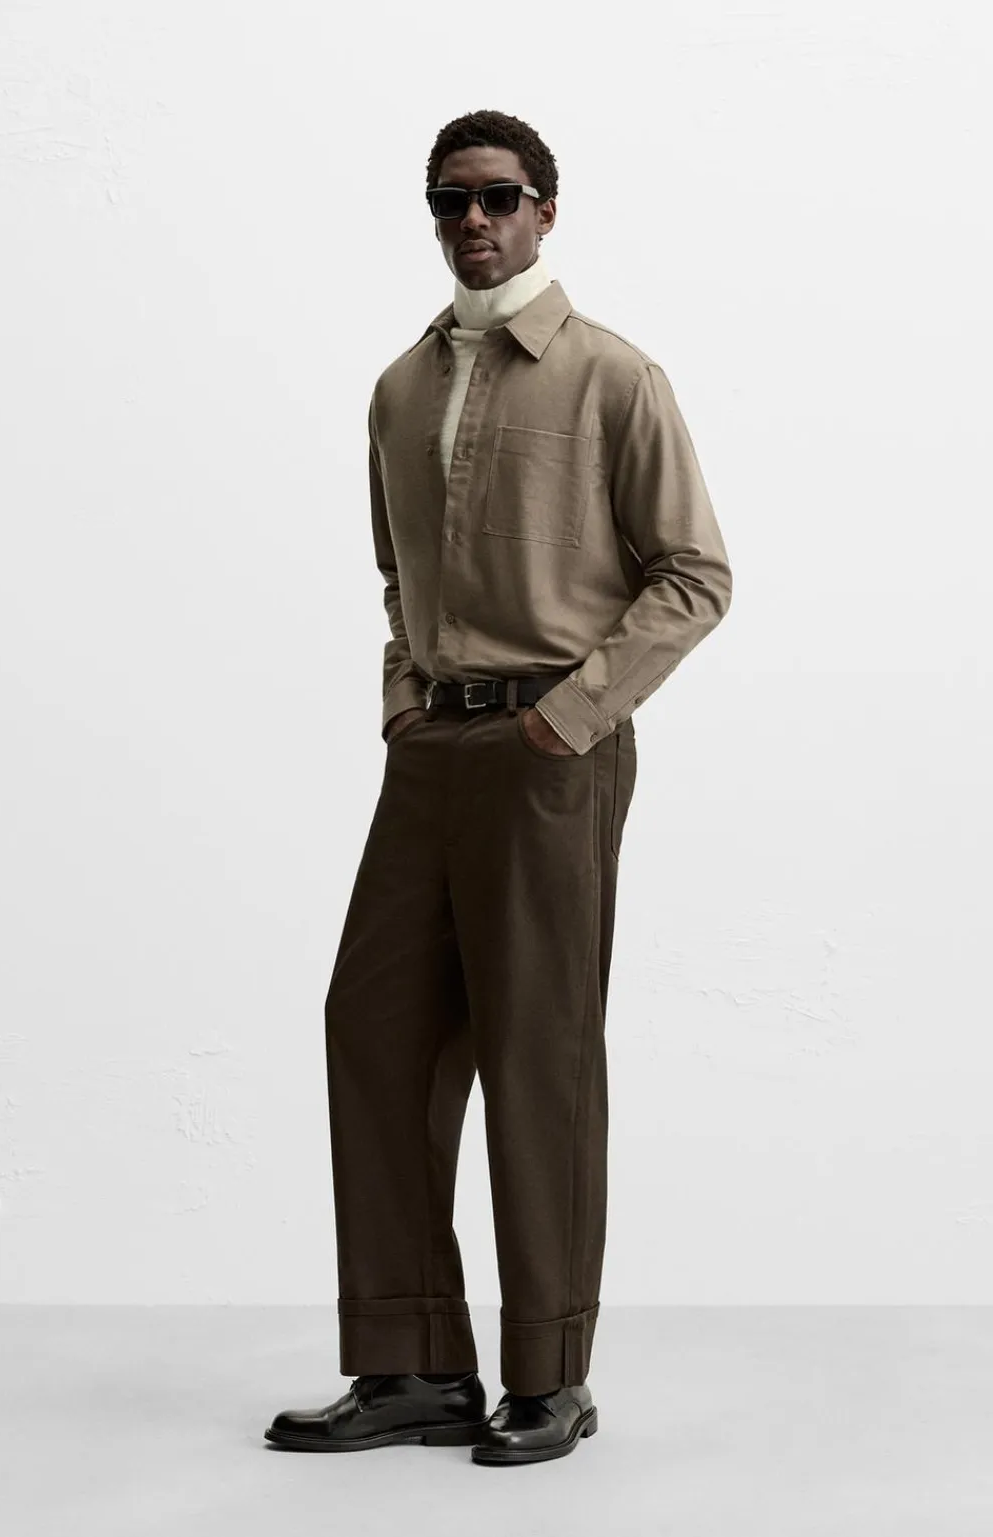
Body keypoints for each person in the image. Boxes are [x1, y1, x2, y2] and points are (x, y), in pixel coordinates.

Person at [265, 108, 732, 1467]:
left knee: (538, 1051)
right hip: (432, 752)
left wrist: (571, 718)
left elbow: (695, 575)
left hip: (551, 753)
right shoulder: (398, 389)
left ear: (545, 211)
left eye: (499, 196)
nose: (473, 220)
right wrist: (404, 699)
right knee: (375, 1026)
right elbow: (396, 573)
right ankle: (412, 1366)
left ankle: (550, 1378)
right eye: (449, 200)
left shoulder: (614, 378)